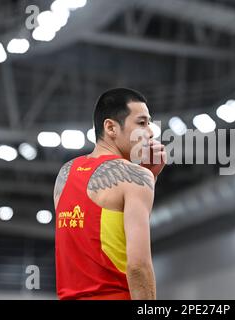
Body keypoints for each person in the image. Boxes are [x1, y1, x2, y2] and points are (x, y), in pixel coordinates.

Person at [53, 88, 166, 300]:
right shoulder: (136, 178)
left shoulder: (64, 175)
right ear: (111, 127)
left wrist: (149, 177)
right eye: (142, 123)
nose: (150, 132)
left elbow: (94, 239)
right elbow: (138, 266)